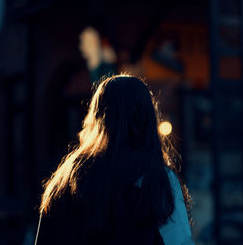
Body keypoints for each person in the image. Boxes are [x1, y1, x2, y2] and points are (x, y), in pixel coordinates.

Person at [34, 75, 194, 245]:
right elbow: (179, 241)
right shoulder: (157, 180)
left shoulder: (65, 179)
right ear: (147, 118)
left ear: (97, 116)